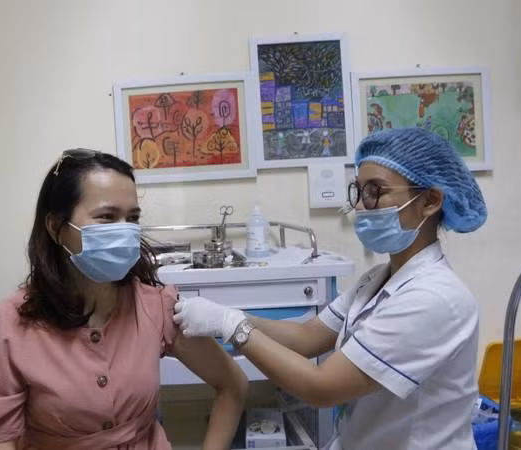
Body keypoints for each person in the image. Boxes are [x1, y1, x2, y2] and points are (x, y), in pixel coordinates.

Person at [173, 127, 487, 450]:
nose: (361, 207)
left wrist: (233, 327)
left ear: (430, 201)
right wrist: (229, 316)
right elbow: (307, 337)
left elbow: (321, 388)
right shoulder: (378, 279)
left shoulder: (434, 298)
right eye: (358, 192)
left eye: (375, 191)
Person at [0, 149, 248, 450]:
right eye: (107, 217)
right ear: (56, 228)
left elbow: (232, 385)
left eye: (132, 218)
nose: (124, 231)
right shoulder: (10, 324)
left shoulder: (154, 306)